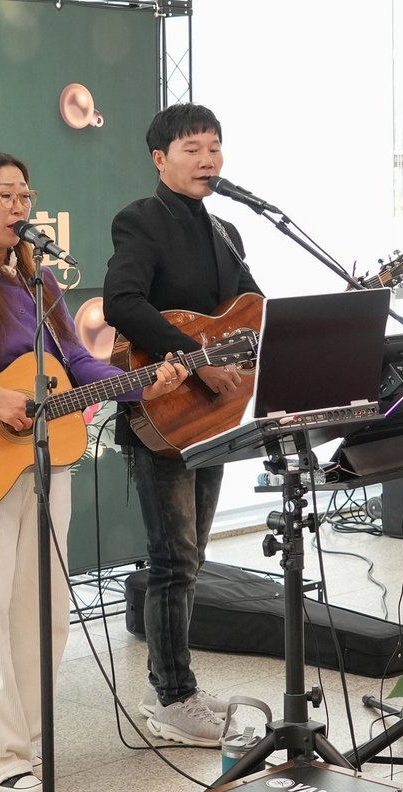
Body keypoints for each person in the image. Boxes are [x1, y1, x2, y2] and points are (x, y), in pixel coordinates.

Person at [0, 150, 187, 792]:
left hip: (43, 465)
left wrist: (144, 384)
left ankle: (24, 743)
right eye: (5, 195)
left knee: (41, 613)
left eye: (25, 195)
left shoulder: (38, 281)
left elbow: (76, 363)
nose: (20, 206)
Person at [103, 103, 264, 747]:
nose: (207, 160)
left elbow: (249, 312)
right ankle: (172, 696)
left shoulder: (227, 230)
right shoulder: (140, 219)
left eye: (214, 148)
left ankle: (171, 686)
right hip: (164, 408)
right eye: (192, 149)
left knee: (191, 558)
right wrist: (199, 358)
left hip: (211, 414)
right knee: (172, 559)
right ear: (159, 159)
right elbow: (122, 302)